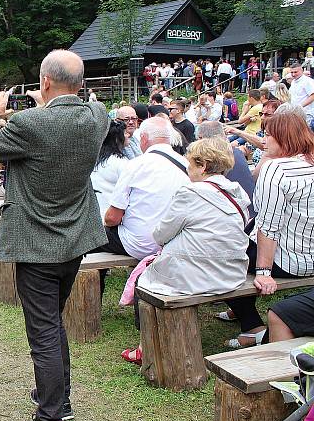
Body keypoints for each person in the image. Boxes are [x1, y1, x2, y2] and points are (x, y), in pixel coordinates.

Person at [0, 50, 109, 421]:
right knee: (53, 322)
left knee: (44, 331)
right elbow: (83, 112)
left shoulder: (30, 124)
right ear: (80, 84)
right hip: (75, 241)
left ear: (45, 82)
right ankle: (59, 400)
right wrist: (48, 103)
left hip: (37, 245)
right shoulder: (95, 117)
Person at [218, 112, 314, 347]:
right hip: (309, 256)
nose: (263, 140)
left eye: (268, 135)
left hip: (287, 261)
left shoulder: (277, 169)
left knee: (217, 256)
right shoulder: (308, 162)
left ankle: (252, 326)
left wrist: (263, 271)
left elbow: (269, 227)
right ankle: (247, 318)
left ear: (283, 138)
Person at [138, 137, 250, 295]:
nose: (187, 168)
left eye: (189, 163)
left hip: (191, 277)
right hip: (231, 275)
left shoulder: (190, 193)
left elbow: (161, 235)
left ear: (202, 166)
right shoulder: (238, 194)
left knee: (141, 283)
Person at [99, 117, 190, 260]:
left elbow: (112, 218)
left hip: (139, 245)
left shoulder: (136, 165)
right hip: (175, 243)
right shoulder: (186, 164)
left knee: (91, 236)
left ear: (143, 138)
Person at [196, 121, 255, 217]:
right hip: (251, 213)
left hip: (238, 218)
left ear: (200, 138)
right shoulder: (236, 153)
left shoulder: (210, 160)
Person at [90, 120, 129, 219]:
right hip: (111, 217)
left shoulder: (93, 159)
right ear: (117, 138)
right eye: (125, 133)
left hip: (95, 215)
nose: (128, 135)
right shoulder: (122, 163)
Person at [289, 62, 314, 129]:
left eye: (295, 72)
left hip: (307, 114)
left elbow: (313, 95)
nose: (293, 74)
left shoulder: (307, 81)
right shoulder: (293, 82)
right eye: (291, 72)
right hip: (296, 114)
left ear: (301, 71)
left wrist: (300, 106)